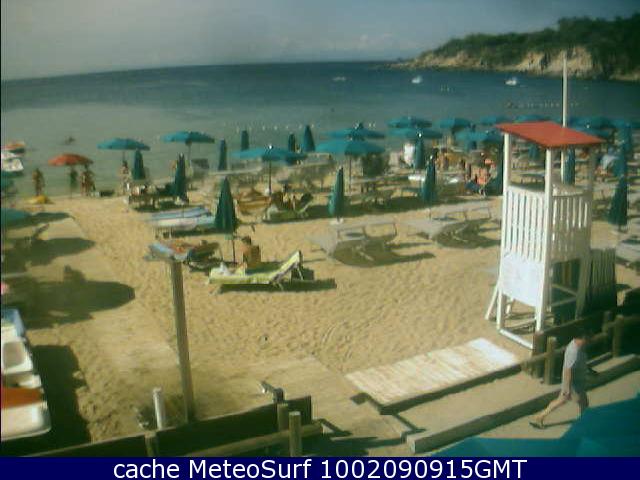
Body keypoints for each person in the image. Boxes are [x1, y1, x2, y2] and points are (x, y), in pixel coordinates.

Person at [530, 330, 592, 429]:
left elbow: (579, 362)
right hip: (573, 382)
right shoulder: (574, 351)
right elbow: (568, 370)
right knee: (582, 401)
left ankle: (540, 417)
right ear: (583, 338)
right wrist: (567, 387)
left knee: (564, 400)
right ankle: (585, 421)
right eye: (588, 338)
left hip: (575, 381)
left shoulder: (578, 347)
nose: (590, 341)